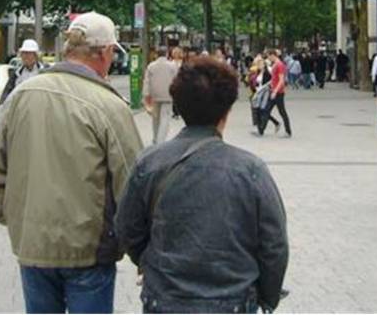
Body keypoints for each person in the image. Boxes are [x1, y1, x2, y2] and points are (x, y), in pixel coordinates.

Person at [0, 12, 143, 314]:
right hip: (89, 249)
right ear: (106, 53)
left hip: (33, 245)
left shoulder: (20, 96)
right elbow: (132, 181)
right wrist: (138, 247)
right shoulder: (109, 105)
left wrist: (13, 219)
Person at [115, 56, 288, 313]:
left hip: (165, 298)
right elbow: (274, 244)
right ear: (226, 112)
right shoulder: (250, 170)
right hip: (233, 300)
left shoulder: (149, 163)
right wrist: (267, 296)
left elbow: (127, 228)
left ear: (179, 104)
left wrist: (150, 262)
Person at [143, 46, 179, 145]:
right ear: (166, 54)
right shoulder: (172, 66)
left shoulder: (151, 66)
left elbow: (146, 82)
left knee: (155, 119)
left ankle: (155, 138)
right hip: (168, 95)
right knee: (165, 119)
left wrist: (146, 95)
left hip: (155, 96)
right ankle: (160, 141)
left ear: (156, 54)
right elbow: (176, 80)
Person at [258, 51, 292, 137]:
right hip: (273, 91)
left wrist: (275, 91)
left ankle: (288, 131)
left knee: (282, 112)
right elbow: (274, 79)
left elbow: (281, 80)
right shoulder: (275, 65)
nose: (268, 59)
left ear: (273, 56)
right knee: (266, 110)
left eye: (269, 57)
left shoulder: (279, 65)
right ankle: (261, 130)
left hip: (278, 93)